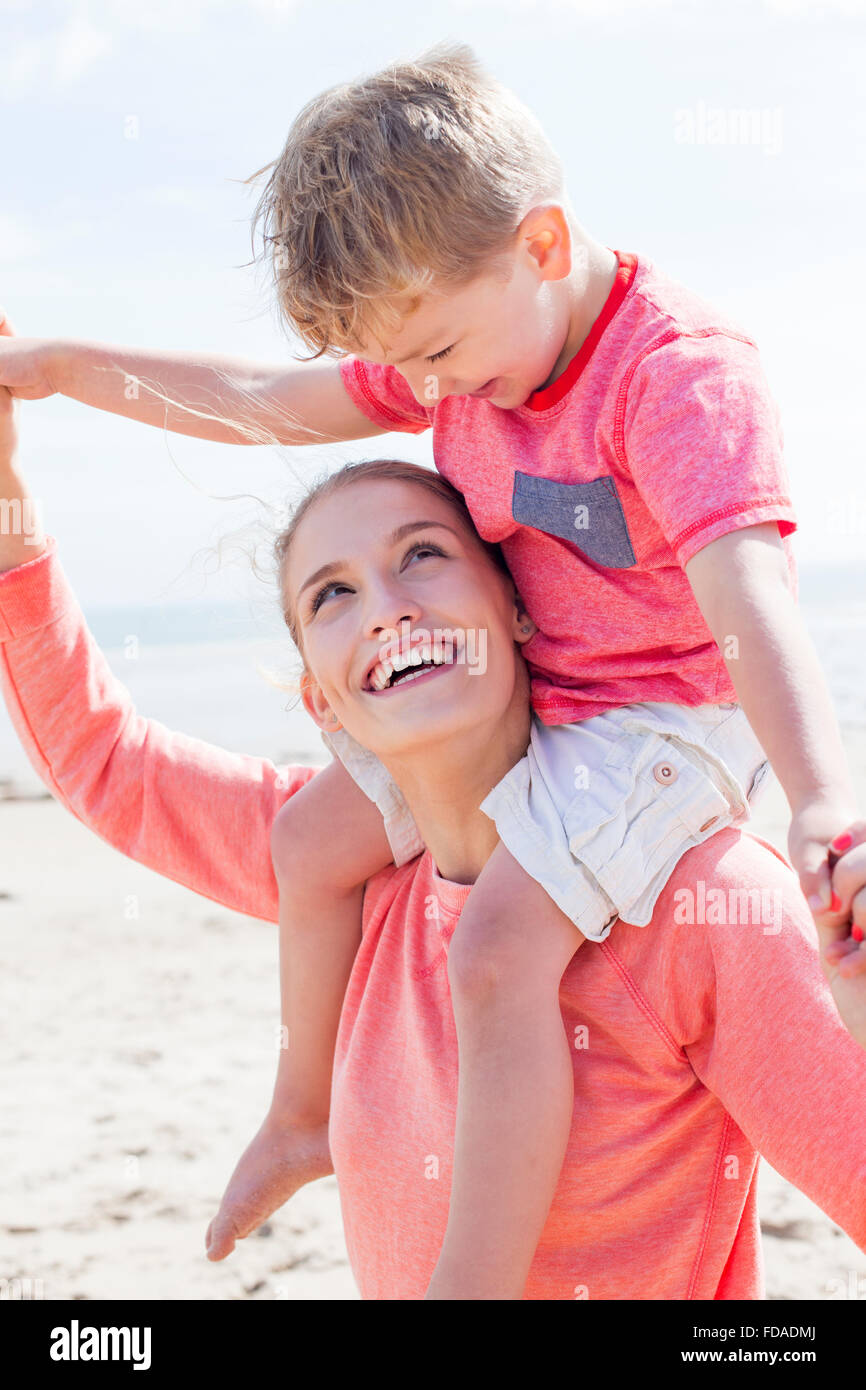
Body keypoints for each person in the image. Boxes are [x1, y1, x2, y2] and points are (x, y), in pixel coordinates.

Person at [0, 42, 860, 1297]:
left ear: (544, 241)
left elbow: (745, 595)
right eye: (333, 596)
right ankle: (299, 1117)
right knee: (307, 843)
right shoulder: (466, 334)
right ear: (313, 679)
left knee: (498, 955)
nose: (423, 393)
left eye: (440, 359)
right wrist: (63, 375)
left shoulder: (672, 375)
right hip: (545, 742)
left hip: (648, 732)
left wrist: (821, 800)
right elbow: (265, 405)